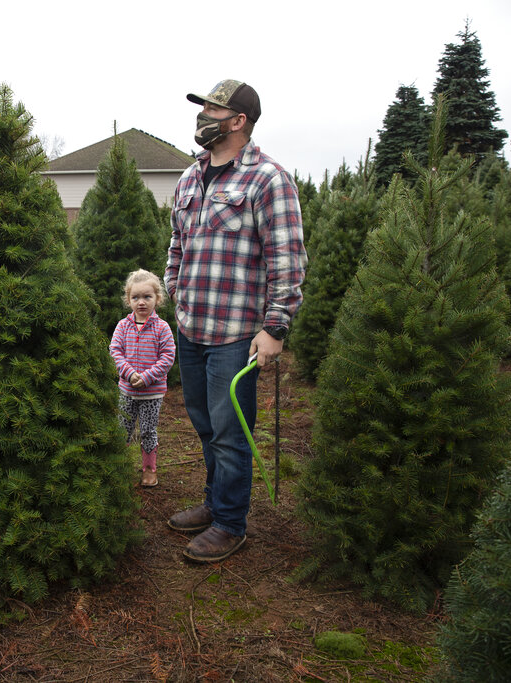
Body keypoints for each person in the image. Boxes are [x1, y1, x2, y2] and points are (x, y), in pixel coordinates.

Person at [164, 79, 306, 563]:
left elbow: (287, 258)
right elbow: (177, 247)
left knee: (230, 431)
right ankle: (213, 501)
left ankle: (229, 523)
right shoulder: (189, 177)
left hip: (236, 336)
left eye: (211, 108)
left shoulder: (268, 179)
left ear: (238, 120)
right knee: (204, 425)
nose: (202, 115)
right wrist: (174, 291)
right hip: (191, 328)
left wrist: (276, 327)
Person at [109, 269, 176, 488]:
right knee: (123, 429)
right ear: (128, 300)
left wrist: (146, 377)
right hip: (127, 392)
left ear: (157, 298)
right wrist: (128, 373)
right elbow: (115, 351)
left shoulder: (162, 328)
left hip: (151, 393)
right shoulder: (123, 326)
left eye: (147, 297)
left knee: (148, 430)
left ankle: (149, 470)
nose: (141, 302)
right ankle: (119, 466)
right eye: (135, 297)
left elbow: (168, 357)